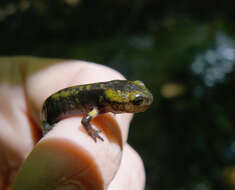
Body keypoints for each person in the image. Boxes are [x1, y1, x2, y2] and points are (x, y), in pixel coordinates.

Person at [0, 59, 145, 190]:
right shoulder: (98, 105)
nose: (140, 104)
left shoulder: (102, 101)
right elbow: (85, 120)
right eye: (137, 102)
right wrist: (92, 132)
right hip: (49, 115)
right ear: (114, 102)